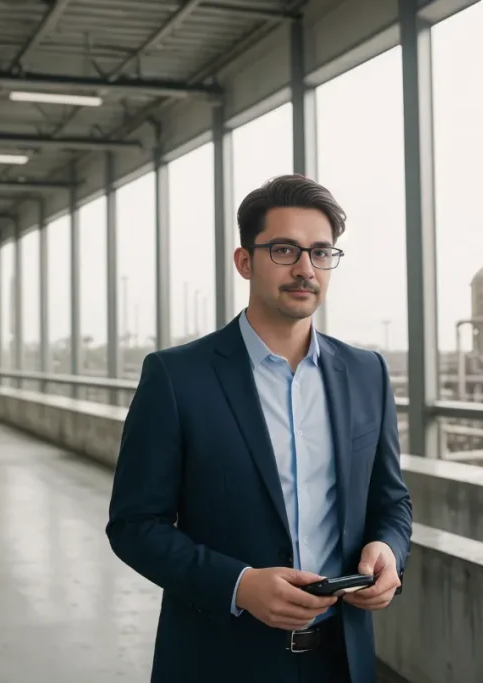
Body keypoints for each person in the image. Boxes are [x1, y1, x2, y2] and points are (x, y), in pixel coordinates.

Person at [106, 174, 413, 683]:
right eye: (284, 250)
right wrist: (240, 585)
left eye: (321, 253)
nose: (304, 268)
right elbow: (135, 526)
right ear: (244, 261)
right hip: (219, 659)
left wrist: (388, 552)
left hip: (341, 659)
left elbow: (391, 502)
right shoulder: (177, 376)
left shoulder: (366, 374)